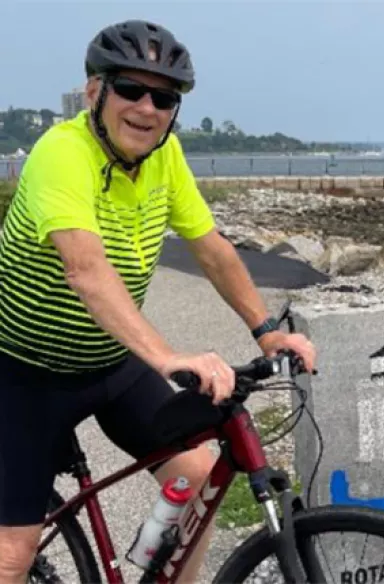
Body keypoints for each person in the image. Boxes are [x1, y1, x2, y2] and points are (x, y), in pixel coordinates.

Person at [0, 19, 316, 583]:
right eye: (130, 89)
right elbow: (86, 269)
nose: (147, 108)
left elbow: (211, 248)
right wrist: (169, 357)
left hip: (109, 363)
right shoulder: (60, 153)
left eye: (164, 97)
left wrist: (267, 330)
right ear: (95, 91)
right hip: (24, 372)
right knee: (13, 555)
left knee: (196, 476)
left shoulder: (164, 158)